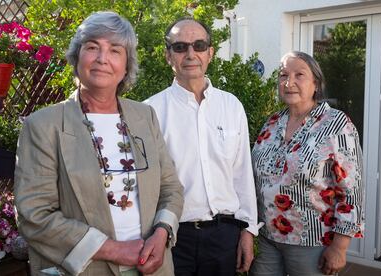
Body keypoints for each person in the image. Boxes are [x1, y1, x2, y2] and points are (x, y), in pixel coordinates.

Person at [14, 11, 183, 276]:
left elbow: (171, 189)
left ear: (126, 66)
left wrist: (162, 234)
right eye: (93, 47)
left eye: (115, 50)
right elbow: (34, 215)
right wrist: (114, 249)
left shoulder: (144, 116)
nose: (103, 59)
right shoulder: (43, 125)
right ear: (77, 57)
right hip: (85, 269)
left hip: (153, 267)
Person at [144, 17, 258, 276]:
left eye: (198, 45)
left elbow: (242, 174)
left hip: (224, 236)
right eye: (180, 47)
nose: (190, 54)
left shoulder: (232, 106)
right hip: (173, 238)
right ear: (168, 56)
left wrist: (248, 231)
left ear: (210, 53)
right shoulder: (150, 111)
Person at [250, 51, 365, 276]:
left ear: (316, 83)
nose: (289, 82)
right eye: (283, 75)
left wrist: (340, 247)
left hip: (312, 242)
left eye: (299, 75)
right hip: (266, 237)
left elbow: (352, 190)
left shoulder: (336, 124)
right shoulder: (273, 122)